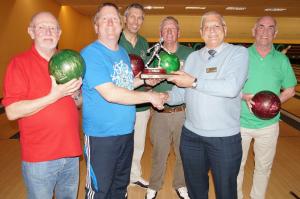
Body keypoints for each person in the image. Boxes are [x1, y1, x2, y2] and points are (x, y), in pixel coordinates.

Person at [80, 3, 167, 199]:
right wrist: (149, 97)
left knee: (120, 187)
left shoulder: (121, 53)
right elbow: (111, 93)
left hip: (126, 133)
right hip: (101, 137)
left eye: (115, 20)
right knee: (99, 190)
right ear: (96, 26)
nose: (111, 23)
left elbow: (124, 85)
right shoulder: (91, 54)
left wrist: (144, 80)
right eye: (105, 19)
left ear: (121, 26)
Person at [166, 11, 248, 199]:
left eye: (216, 26)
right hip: (191, 137)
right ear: (201, 32)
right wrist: (162, 95)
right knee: (195, 191)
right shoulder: (194, 57)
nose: (212, 31)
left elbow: (231, 88)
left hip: (224, 139)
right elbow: (181, 93)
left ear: (225, 29)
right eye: (207, 27)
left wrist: (194, 81)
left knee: (226, 192)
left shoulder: (238, 53)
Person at [2, 12, 82, 199]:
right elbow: (12, 111)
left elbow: (78, 103)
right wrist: (54, 95)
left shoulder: (69, 62)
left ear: (59, 33)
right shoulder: (19, 64)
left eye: (52, 28)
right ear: (31, 32)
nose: (48, 32)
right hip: (40, 159)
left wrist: (75, 94)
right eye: (41, 27)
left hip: (70, 154)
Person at [237, 16, 297, 199]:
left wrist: (272, 103)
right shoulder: (241, 56)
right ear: (253, 31)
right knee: (235, 166)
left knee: (264, 167)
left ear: (275, 33)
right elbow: (228, 87)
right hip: (239, 123)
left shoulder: (281, 60)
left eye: (270, 28)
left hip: (269, 125)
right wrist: (242, 96)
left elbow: (291, 90)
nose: (265, 31)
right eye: (261, 27)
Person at [145, 16, 193, 199]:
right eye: (166, 29)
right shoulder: (153, 55)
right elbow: (145, 86)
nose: (169, 32)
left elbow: (196, 81)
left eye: (173, 29)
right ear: (160, 33)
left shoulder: (190, 54)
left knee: (183, 153)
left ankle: (180, 184)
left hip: (184, 112)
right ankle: (154, 185)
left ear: (179, 32)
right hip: (160, 112)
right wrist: (150, 83)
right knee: (159, 153)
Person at [119, 3, 150, 188]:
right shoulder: (115, 39)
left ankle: (134, 175)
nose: (135, 21)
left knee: (138, 143)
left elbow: (145, 71)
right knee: (121, 143)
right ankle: (120, 177)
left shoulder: (144, 43)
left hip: (140, 103)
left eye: (139, 18)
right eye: (132, 16)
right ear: (125, 18)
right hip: (119, 102)